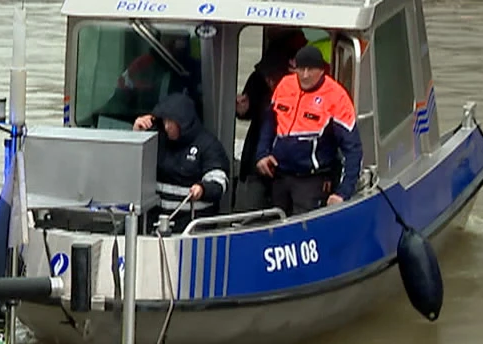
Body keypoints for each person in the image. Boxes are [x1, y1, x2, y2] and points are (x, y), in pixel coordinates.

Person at [253, 46, 363, 217]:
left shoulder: (337, 97)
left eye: (310, 69)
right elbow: (269, 123)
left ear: (321, 71)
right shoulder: (285, 85)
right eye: (301, 69)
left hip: (311, 181)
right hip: (279, 175)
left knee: (302, 227)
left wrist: (343, 192)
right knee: (273, 223)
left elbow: (353, 148)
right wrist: (261, 154)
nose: (304, 75)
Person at [233, 32, 306, 211]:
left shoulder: (307, 89)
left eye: (273, 76)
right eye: (267, 76)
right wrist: (243, 109)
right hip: (255, 163)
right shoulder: (258, 79)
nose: (269, 80)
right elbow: (247, 110)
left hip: (292, 170)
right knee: (250, 210)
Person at [133, 92, 230, 220]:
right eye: (165, 121)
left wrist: (203, 189)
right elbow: (131, 168)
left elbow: (219, 181)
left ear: (184, 122)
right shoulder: (157, 140)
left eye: (172, 122)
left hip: (191, 223)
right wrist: (137, 136)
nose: (167, 127)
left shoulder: (208, 144)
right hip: (154, 220)